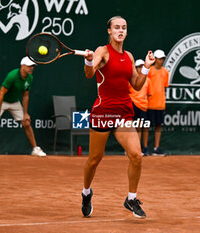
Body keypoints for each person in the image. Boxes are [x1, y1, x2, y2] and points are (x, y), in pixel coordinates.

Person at [81, 16, 155, 219]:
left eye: (123, 28)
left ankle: (131, 198)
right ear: (109, 31)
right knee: (95, 159)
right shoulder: (102, 51)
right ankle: (86, 192)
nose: (120, 30)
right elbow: (89, 74)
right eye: (116, 27)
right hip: (104, 111)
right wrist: (89, 60)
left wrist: (146, 67)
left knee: (136, 155)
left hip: (123, 112)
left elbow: (137, 85)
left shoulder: (129, 56)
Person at [0, 56, 46, 157]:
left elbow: (25, 96)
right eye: (30, 66)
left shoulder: (30, 78)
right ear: (22, 66)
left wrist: (25, 114)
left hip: (14, 102)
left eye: (33, 66)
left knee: (26, 122)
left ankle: (35, 149)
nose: (32, 68)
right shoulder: (12, 76)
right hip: (1, 100)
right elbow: (1, 93)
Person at [142, 49, 169, 156]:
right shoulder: (150, 71)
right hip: (149, 104)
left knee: (158, 126)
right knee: (146, 126)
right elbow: (145, 86)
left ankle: (156, 148)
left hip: (160, 104)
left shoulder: (165, 72)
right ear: (155, 59)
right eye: (160, 59)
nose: (161, 61)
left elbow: (164, 87)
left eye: (163, 59)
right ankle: (144, 148)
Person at [128, 59, 152, 143]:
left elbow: (149, 94)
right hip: (133, 105)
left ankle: (137, 148)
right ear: (136, 68)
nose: (141, 68)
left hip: (143, 107)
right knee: (131, 128)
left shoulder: (148, 80)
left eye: (143, 66)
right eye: (139, 67)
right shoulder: (131, 79)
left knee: (139, 128)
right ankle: (130, 148)